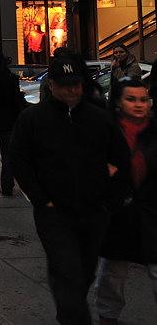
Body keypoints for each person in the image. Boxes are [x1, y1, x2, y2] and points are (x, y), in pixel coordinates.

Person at [12, 56, 131, 325]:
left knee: (84, 270)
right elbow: (20, 161)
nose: (72, 90)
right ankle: (74, 317)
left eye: (76, 84)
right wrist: (42, 200)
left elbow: (121, 159)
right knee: (66, 270)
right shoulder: (33, 119)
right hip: (55, 212)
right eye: (65, 85)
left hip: (94, 210)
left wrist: (110, 200)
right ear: (52, 85)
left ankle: (70, 310)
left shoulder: (98, 118)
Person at [94, 78, 157, 323]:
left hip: (151, 212)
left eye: (143, 99)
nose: (139, 105)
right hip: (118, 212)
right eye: (131, 99)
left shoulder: (154, 131)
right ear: (119, 102)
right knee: (113, 272)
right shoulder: (107, 129)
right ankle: (107, 316)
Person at [0, 49, 26, 197]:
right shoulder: (11, 78)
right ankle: (7, 184)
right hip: (8, 120)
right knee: (7, 154)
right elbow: (16, 100)